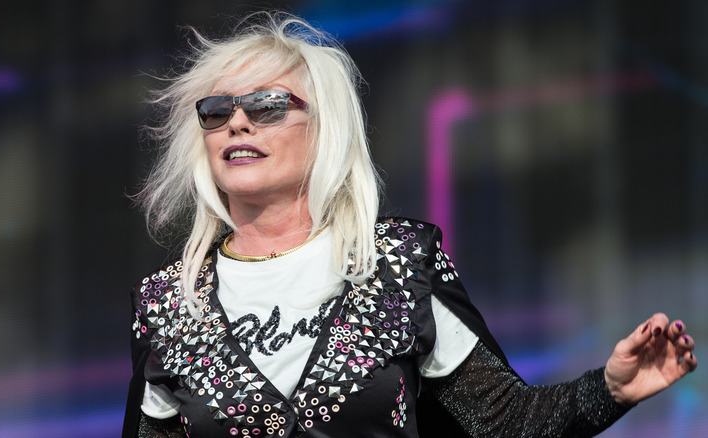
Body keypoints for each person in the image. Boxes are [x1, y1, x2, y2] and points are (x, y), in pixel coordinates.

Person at [123, 12, 697, 438]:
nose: (238, 123)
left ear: (325, 129)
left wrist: (612, 391)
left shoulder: (399, 263)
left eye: (269, 104)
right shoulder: (169, 304)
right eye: (217, 110)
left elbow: (503, 421)